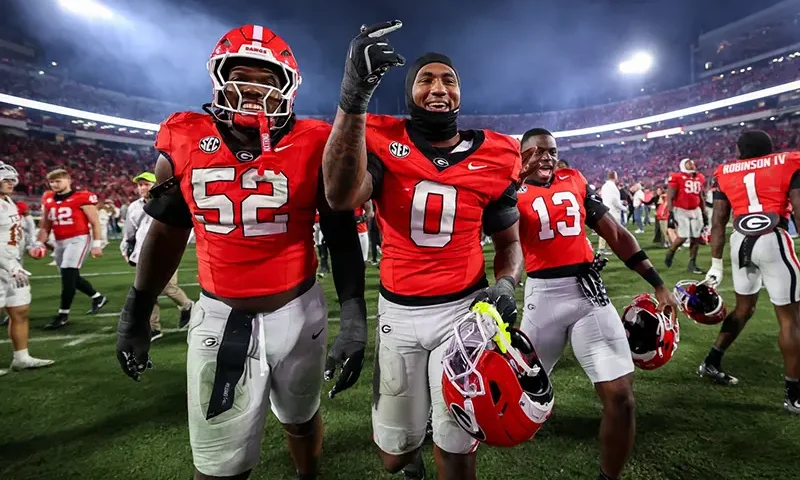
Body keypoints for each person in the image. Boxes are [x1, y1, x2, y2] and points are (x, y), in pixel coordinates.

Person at [114, 25, 367, 480]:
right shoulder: (183, 136)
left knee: (300, 416)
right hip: (219, 313)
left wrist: (353, 314)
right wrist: (136, 310)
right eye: (242, 74)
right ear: (218, 78)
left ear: (287, 87)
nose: (253, 88)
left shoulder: (314, 140)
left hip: (300, 310)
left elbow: (341, 232)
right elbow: (167, 230)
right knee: (216, 467)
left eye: (267, 78)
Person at [323, 21, 523, 480]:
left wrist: (508, 282)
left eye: (448, 79)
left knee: (456, 450)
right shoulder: (378, 136)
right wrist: (353, 97)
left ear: (460, 91)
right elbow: (339, 196)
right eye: (425, 79)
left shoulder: (497, 154)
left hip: (464, 312)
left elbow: (509, 242)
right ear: (410, 91)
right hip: (401, 313)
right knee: (396, 453)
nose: (438, 87)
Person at [515, 128, 677, 480]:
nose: (546, 156)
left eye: (552, 150)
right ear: (521, 155)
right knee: (517, 398)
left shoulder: (573, 179)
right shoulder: (510, 189)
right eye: (537, 151)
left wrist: (658, 283)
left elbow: (615, 232)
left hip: (589, 293)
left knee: (621, 398)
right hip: (542, 297)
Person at [702, 130, 800, 414]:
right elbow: (798, 211)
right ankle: (793, 395)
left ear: (740, 150)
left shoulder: (725, 171)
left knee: (743, 309)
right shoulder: (787, 162)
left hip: (739, 240)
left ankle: (711, 361)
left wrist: (716, 263)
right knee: (791, 318)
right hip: (772, 237)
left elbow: (719, 221)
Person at [120, 172, 194, 340]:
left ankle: (188, 305)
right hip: (143, 253)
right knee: (145, 290)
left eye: (146, 184)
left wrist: (177, 246)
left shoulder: (169, 202)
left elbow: (185, 228)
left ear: (157, 184)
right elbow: (129, 232)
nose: (142, 188)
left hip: (166, 250)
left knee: (167, 286)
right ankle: (153, 328)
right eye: (140, 185)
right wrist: (126, 250)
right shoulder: (134, 207)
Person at [35, 168, 108, 329]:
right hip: (60, 241)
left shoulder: (81, 197)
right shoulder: (48, 198)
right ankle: (97, 297)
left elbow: (95, 222)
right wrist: (39, 243)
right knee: (71, 276)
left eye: (58, 181)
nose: (54, 184)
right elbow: (45, 225)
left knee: (68, 277)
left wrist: (97, 244)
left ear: (68, 180)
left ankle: (63, 314)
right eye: (52, 182)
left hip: (78, 239)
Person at [0, 162, 54, 377]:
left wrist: (32, 245)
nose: (10, 183)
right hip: (6, 266)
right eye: (5, 179)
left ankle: (21, 357)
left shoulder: (9, 202)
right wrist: (10, 265)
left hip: (14, 266)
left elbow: (14, 234)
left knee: (20, 310)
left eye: (12, 180)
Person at [665, 158, 706, 274]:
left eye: (693, 163)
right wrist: (671, 213)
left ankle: (692, 263)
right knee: (683, 236)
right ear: (683, 165)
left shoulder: (700, 177)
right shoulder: (676, 177)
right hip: (681, 209)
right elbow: (670, 196)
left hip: (696, 209)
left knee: (696, 237)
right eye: (689, 164)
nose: (692, 165)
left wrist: (703, 212)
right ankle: (671, 252)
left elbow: (700, 195)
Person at [598, 171, 622, 254]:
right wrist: (623, 208)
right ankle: (611, 247)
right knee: (613, 231)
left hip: (604, 210)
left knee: (605, 230)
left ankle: (601, 248)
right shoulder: (613, 187)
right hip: (613, 211)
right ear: (615, 177)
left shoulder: (604, 186)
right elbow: (615, 201)